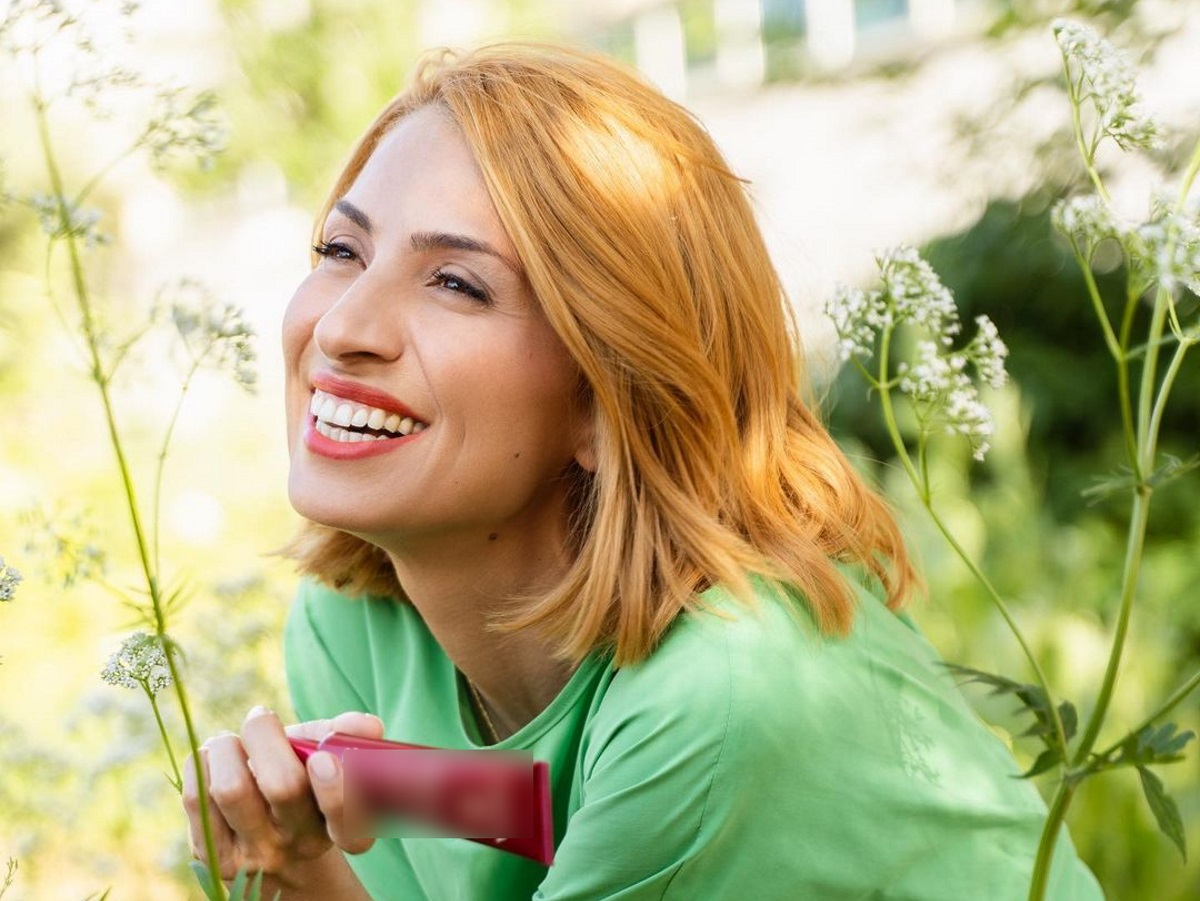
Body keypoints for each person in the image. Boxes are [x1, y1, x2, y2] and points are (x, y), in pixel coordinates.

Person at [182, 42, 1104, 900]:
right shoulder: (353, 629)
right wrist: (299, 870)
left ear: (605, 394)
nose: (341, 327)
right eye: (342, 252)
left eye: (457, 284)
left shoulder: (722, 693)